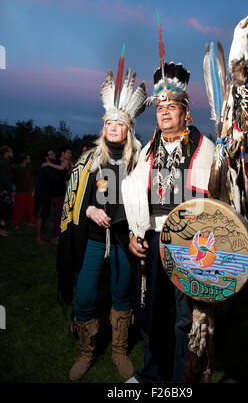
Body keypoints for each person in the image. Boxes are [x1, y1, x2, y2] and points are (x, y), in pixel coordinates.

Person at [122, 62, 215, 383]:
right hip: (153, 241)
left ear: (185, 112)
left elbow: (211, 208)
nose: (164, 113)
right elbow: (133, 192)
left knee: (182, 319)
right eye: (160, 108)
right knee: (151, 311)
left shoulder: (204, 150)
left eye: (171, 107)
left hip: (189, 247)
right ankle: (150, 374)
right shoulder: (149, 150)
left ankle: (179, 380)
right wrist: (135, 233)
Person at [56, 62, 147, 381]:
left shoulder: (139, 162)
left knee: (122, 294)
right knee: (85, 296)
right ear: (103, 127)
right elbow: (72, 202)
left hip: (124, 240)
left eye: (119, 123)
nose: (113, 127)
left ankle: (120, 350)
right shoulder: (87, 161)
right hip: (93, 239)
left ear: (128, 129)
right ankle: (87, 351)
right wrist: (88, 211)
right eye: (109, 122)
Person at [34, 149, 62, 243]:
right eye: (50, 154)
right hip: (41, 195)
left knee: (45, 216)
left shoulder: (50, 166)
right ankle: (38, 237)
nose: (53, 154)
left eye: (53, 153)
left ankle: (42, 235)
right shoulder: (44, 167)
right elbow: (57, 177)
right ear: (46, 157)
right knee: (40, 216)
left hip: (47, 195)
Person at [12, 153, 35, 229]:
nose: (29, 160)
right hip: (20, 192)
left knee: (30, 208)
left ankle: (29, 222)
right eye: (28, 159)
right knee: (19, 209)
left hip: (28, 191)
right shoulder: (17, 168)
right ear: (24, 160)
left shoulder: (29, 167)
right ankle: (17, 224)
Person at [0, 146, 14, 237]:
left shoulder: (7, 162)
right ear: (6, 152)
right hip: (3, 190)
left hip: (5, 189)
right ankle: (1, 229)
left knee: (7, 208)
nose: (12, 153)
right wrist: (9, 190)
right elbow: (4, 178)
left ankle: (2, 228)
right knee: (5, 209)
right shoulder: (3, 162)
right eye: (11, 151)